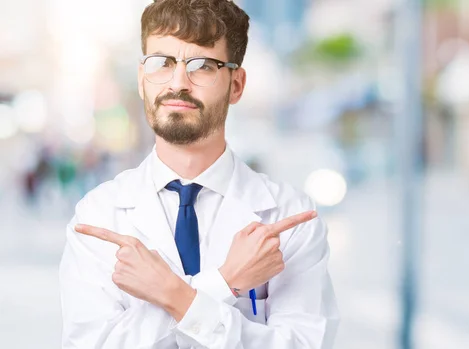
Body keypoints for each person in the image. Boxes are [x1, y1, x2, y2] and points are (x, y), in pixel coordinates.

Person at [58, 0, 339, 348]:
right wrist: (223, 284)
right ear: (142, 78)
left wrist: (174, 296)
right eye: (161, 63)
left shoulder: (288, 216)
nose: (178, 83)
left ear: (236, 84)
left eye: (202, 65)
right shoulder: (98, 215)